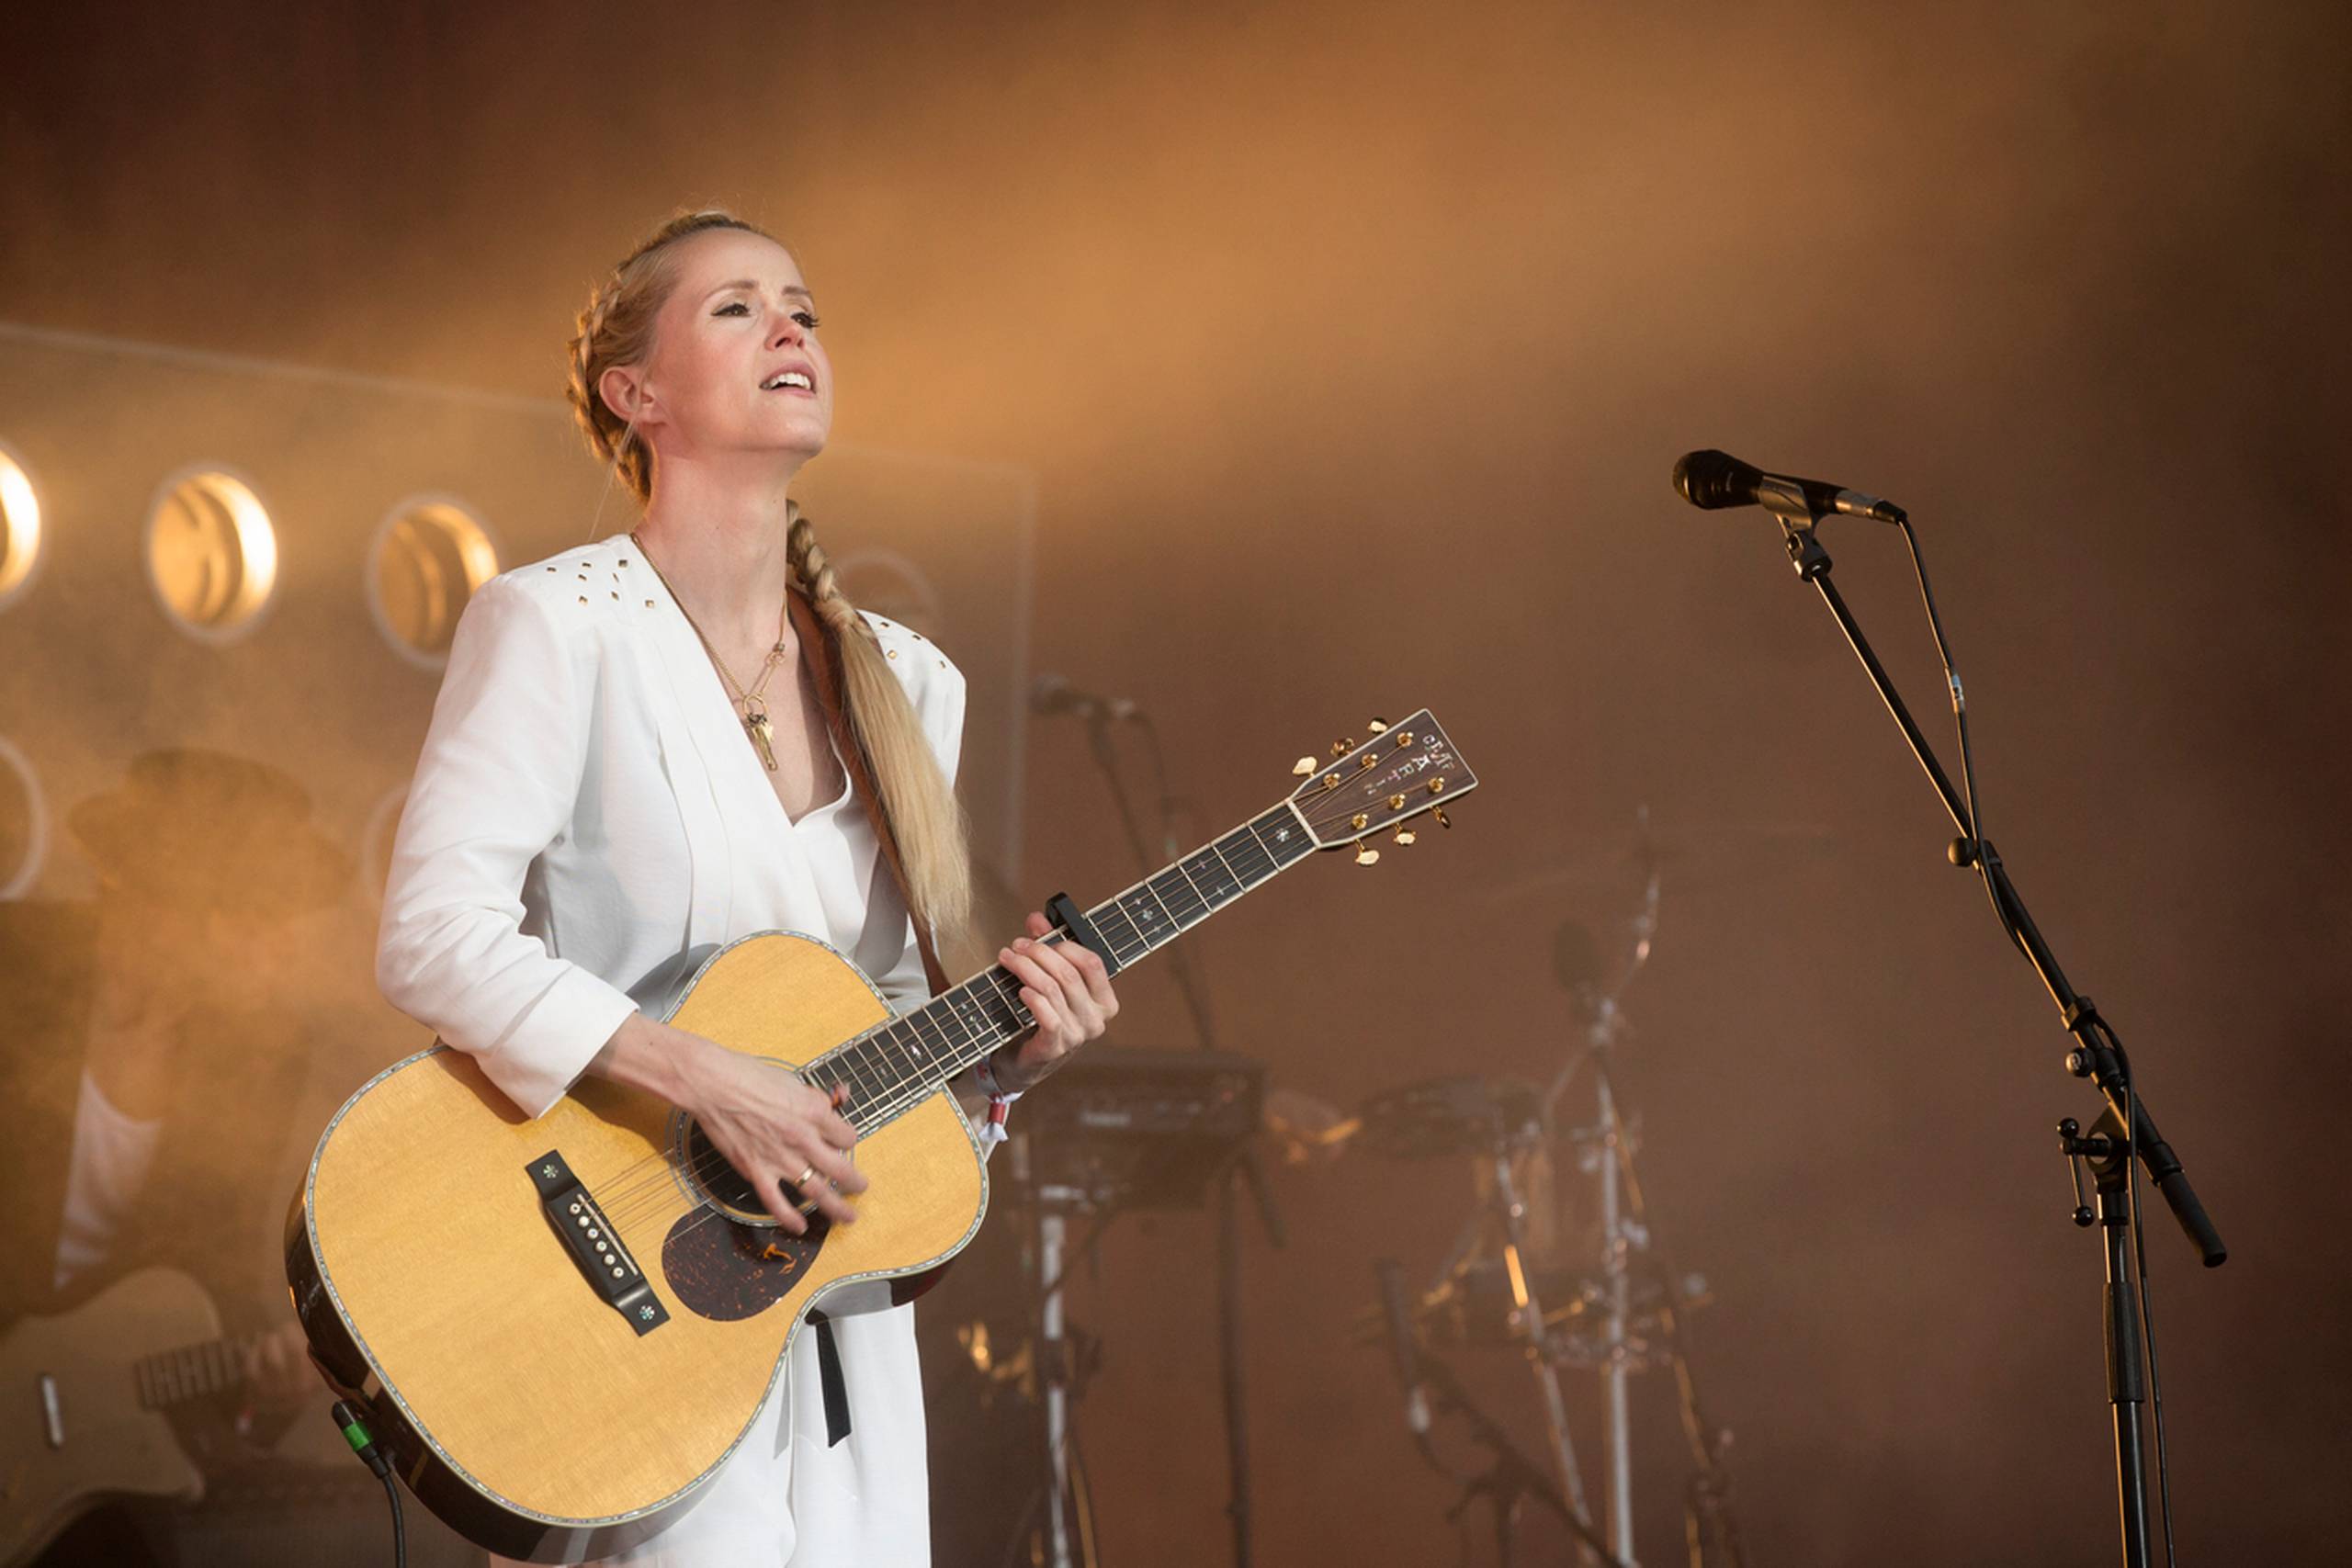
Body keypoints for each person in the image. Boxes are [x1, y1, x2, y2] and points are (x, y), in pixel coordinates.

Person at [374, 208, 1119, 1568]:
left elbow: (889, 1038)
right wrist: (707, 1079)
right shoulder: (557, 624)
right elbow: (431, 939)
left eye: (804, 309)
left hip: (838, 1337)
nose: (791, 329)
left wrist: (1006, 1071)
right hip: (617, 1302)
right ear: (634, 394)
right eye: (736, 307)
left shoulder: (907, 682)